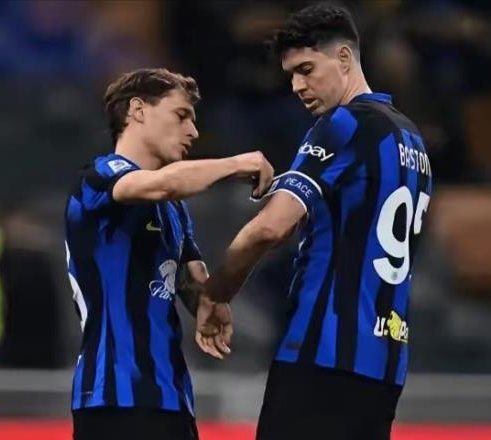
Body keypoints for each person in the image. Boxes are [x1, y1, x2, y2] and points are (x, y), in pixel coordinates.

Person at [197, 4, 433, 440]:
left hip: (321, 355)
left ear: (344, 58)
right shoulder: (411, 139)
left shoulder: (344, 124)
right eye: (290, 75)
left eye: (306, 69)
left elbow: (271, 227)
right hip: (384, 365)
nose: (297, 86)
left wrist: (216, 293)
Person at [64, 68, 273, 440]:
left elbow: (193, 283)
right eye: (181, 115)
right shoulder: (99, 177)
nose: (193, 131)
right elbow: (162, 184)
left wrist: (211, 302)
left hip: (172, 398)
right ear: (138, 110)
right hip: (113, 398)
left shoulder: (174, 209)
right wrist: (234, 164)